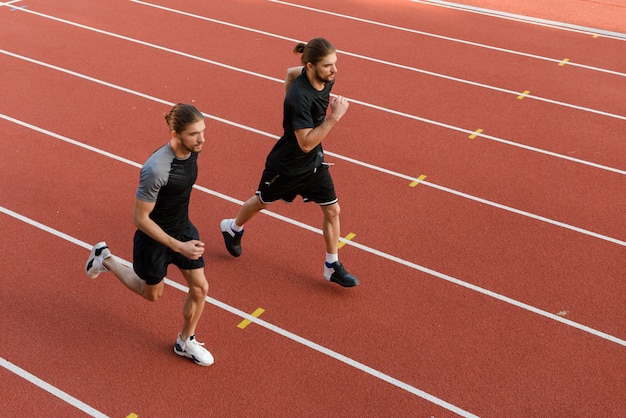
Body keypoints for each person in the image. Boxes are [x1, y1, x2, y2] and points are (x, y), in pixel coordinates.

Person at [220, 37, 359, 287]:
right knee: (261, 202)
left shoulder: (323, 77)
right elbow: (305, 142)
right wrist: (334, 117)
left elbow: (289, 72)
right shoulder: (299, 99)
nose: (335, 70)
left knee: (333, 210)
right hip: (286, 166)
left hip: (313, 163)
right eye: (328, 65)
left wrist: (292, 86)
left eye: (335, 63)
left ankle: (331, 265)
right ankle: (232, 227)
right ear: (312, 67)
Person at [85, 103, 214, 366]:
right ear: (175, 134)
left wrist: (181, 240)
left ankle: (185, 342)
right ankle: (105, 258)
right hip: (153, 241)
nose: (202, 139)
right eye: (194, 134)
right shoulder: (156, 169)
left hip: (182, 229)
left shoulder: (192, 151)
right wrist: (178, 246)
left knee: (200, 288)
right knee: (151, 294)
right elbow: (139, 218)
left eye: (203, 131)